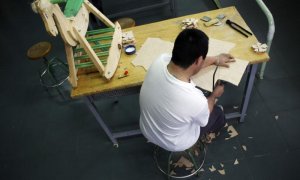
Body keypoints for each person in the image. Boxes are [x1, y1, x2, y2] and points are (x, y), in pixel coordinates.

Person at [139, 28, 235, 151]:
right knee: (217, 113)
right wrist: (214, 96)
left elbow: (188, 64)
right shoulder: (195, 100)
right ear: (199, 60)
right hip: (174, 143)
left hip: (147, 130)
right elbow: (203, 119)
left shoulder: (160, 60)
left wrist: (216, 59)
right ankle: (215, 124)